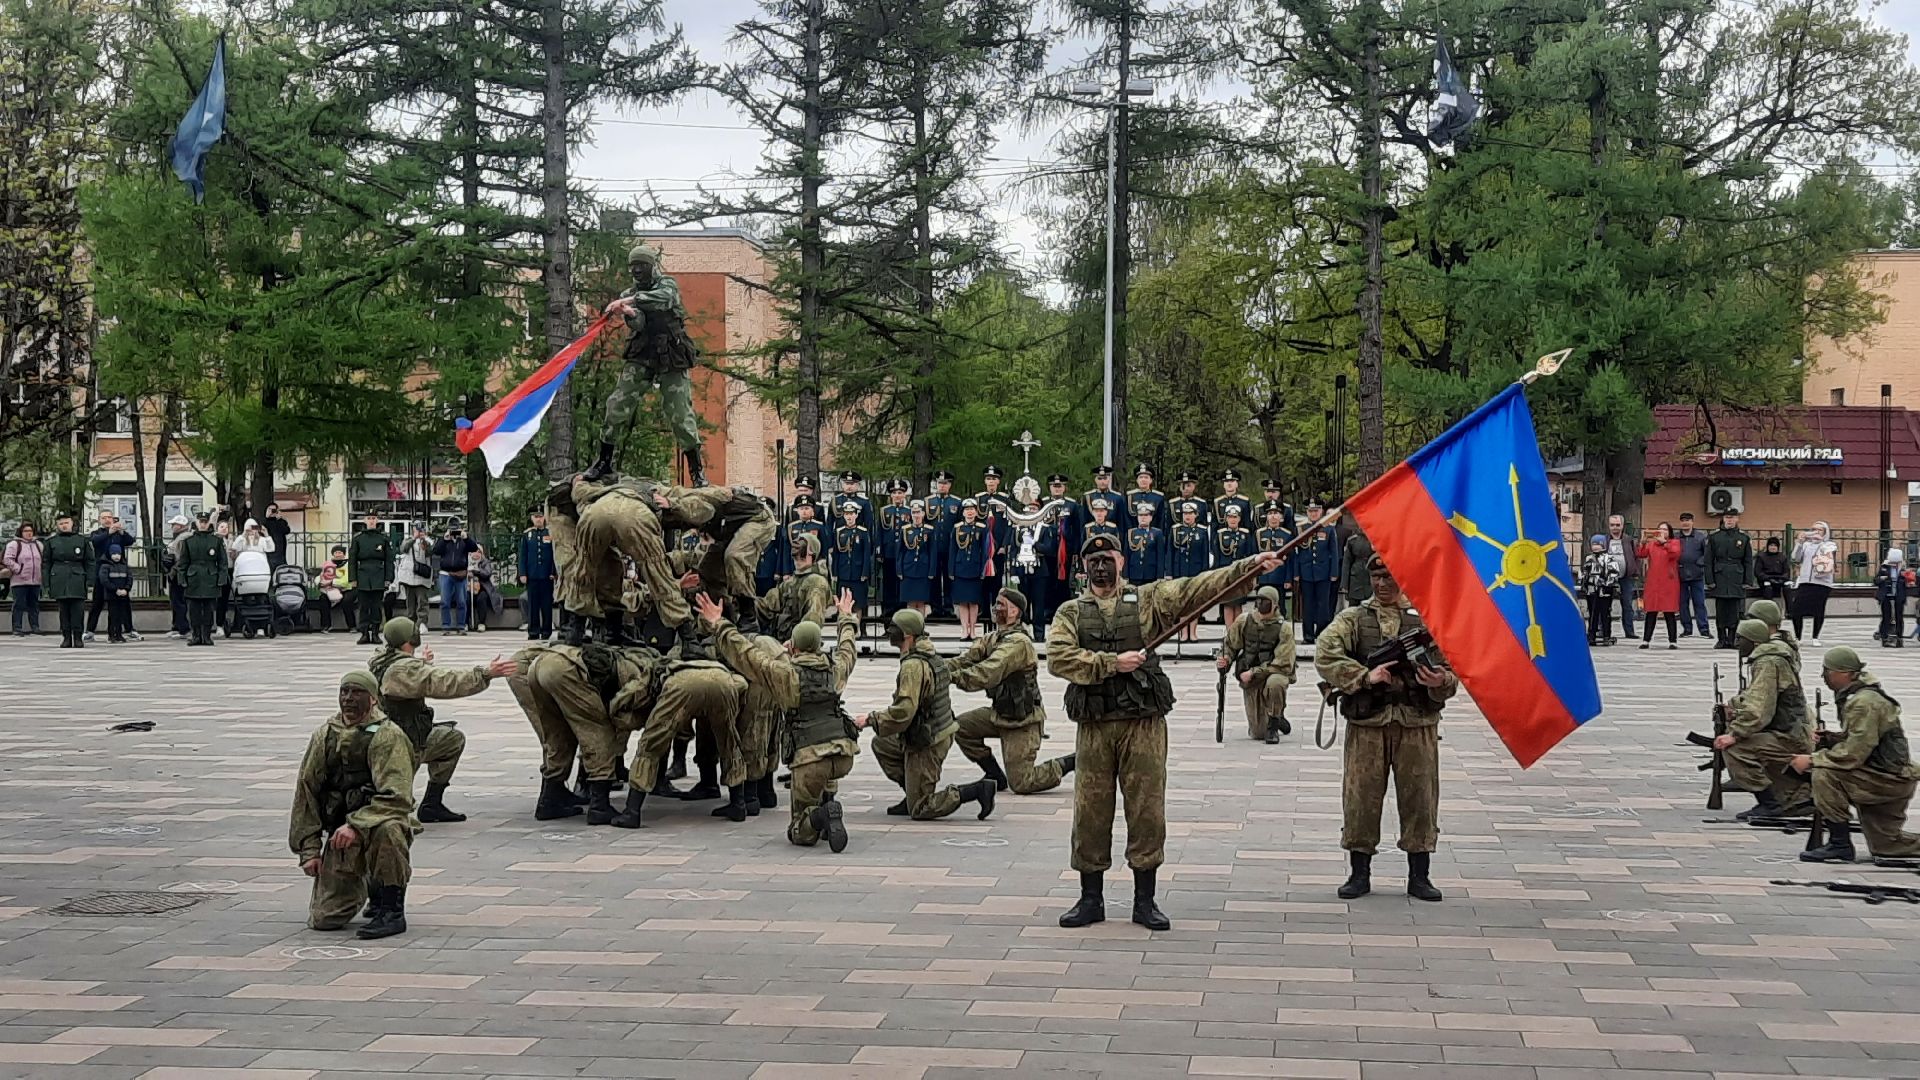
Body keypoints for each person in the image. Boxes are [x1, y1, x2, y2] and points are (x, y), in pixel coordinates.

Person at [1050, 533, 1283, 931]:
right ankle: (1091, 898)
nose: (1101, 566)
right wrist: (1111, 663)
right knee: (1090, 811)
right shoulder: (1071, 612)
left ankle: (1145, 900)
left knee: (1146, 809)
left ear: (1121, 562)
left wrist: (1250, 567)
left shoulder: (1149, 600)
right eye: (1093, 560)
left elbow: (1201, 588)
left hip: (1143, 725)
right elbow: (1058, 657)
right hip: (1095, 726)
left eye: (1107, 558)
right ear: (1083, 567)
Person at [1315, 554, 1458, 902]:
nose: (1381, 584)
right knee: (1361, 798)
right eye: (1376, 578)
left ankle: (1419, 874)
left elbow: (1454, 668)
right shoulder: (1354, 619)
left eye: (1389, 578)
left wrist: (1439, 681)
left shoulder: (1426, 619)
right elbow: (1325, 654)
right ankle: (1359, 871)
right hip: (1369, 724)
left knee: (1420, 799)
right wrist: (1365, 676)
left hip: (1416, 723)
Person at [704, 590, 861, 851]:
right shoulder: (835, 670)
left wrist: (719, 624)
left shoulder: (785, 675)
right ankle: (827, 801)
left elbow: (747, 655)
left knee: (798, 832)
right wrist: (845, 617)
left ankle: (819, 816)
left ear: (793, 646)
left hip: (810, 758)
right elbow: (848, 647)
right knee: (827, 765)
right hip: (843, 755)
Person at [288, 670, 417, 939]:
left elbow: (397, 797)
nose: (348, 698)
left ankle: (391, 909)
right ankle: (366, 883)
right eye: (344, 691)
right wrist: (309, 849)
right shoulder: (325, 734)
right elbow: (306, 793)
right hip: (339, 836)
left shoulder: (387, 735)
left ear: (373, 699)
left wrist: (356, 826)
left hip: (376, 823)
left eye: (357, 692)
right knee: (325, 919)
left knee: (390, 830)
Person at [369, 617, 514, 823]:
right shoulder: (402, 670)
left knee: (451, 740)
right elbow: (445, 682)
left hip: (397, 738)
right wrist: (485, 674)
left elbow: (411, 676)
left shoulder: (383, 660)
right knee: (392, 809)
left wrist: (423, 663)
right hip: (400, 745)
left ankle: (432, 804)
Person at [862, 608, 997, 821]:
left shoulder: (914, 666)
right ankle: (912, 792)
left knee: (921, 809)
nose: (890, 633)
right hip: (935, 729)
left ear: (907, 635)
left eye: (894, 629)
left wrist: (870, 719)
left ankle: (974, 791)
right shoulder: (926, 654)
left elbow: (903, 712)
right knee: (883, 744)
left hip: (929, 740)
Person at [589, 244, 707, 485]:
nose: (637, 271)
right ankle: (604, 461)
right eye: (633, 267)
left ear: (653, 266)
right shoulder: (629, 293)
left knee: (680, 414)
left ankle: (696, 472)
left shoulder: (667, 285)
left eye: (642, 266)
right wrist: (630, 313)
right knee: (617, 404)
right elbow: (639, 323)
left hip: (671, 354)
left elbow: (665, 300)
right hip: (642, 353)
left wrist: (632, 300)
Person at [1797, 646, 1920, 863]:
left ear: (1845, 673)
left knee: (1824, 774)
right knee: (1887, 846)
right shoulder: (1859, 695)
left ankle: (1839, 844)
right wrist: (1833, 738)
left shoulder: (1864, 702)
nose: (1825, 677)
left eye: (1828, 671)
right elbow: (1864, 738)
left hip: (1887, 779)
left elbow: (1854, 754)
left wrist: (1812, 759)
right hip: (1884, 774)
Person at [951, 587, 1075, 794]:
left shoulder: (1018, 643)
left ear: (1014, 611)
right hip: (1001, 713)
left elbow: (988, 672)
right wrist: (936, 668)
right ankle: (995, 776)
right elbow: (966, 659)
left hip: (1023, 721)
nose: (995, 608)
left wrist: (953, 677)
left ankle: (1070, 762)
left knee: (1022, 783)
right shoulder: (993, 638)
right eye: (996, 603)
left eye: (1001, 604)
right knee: (960, 727)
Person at [510, 641, 644, 823]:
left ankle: (550, 798)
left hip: (537, 666)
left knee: (558, 733)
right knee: (598, 730)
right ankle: (599, 805)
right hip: (563, 669)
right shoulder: (641, 670)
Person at [1715, 618, 1813, 821]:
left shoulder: (1768, 662)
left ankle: (1769, 803)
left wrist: (1734, 734)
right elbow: (1757, 698)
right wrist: (1736, 706)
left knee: (1737, 749)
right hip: (1790, 730)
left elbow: (1760, 708)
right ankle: (1796, 796)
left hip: (1789, 735)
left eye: (1741, 639)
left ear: (1755, 642)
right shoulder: (1772, 658)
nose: (1736, 643)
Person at [1220, 585, 1296, 744]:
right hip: (1249, 679)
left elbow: (1282, 663)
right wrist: (1225, 659)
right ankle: (1275, 716)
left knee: (1276, 683)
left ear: (1275, 604)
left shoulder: (1284, 629)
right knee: (1257, 733)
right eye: (1258, 600)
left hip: (1272, 672)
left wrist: (1254, 672)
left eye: (1265, 601)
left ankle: (1274, 723)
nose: (1260, 604)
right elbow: (1231, 644)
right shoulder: (1244, 621)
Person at [758, 532, 834, 640]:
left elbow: (813, 618)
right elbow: (767, 604)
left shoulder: (816, 582)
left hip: (800, 645)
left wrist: (796, 641)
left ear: (812, 554)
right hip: (781, 640)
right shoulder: (790, 582)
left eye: (802, 554)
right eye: (795, 555)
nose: (798, 559)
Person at [1705, 509, 1754, 649]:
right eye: (1727, 517)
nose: (1730, 520)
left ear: (1737, 519)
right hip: (1720, 574)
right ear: (1723, 519)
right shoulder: (1715, 537)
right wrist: (1709, 580)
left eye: (1732, 518)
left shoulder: (1743, 538)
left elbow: (1748, 561)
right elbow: (1708, 560)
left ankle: (1732, 639)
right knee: (1720, 610)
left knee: (1734, 610)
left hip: (1736, 576)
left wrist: (1747, 580)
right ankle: (1721, 638)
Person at [1292, 500, 1340, 643]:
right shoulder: (1301, 528)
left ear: (1321, 512)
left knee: (1323, 605)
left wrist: (1334, 572)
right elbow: (1296, 553)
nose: (1313, 514)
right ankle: (1308, 635)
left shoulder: (1329, 528)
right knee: (1307, 605)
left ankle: (1321, 633)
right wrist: (1296, 572)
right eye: (1310, 511)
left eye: (1316, 511)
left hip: (1323, 572)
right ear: (1307, 512)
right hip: (1306, 572)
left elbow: (1334, 552)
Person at [84, 511, 135, 641]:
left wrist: (122, 531)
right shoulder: (97, 533)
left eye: (109, 517)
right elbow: (95, 542)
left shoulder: (119, 534)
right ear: (99, 520)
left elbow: (130, 541)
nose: (107, 520)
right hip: (102, 571)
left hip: (119, 573)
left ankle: (128, 629)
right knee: (97, 602)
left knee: (123, 603)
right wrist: (109, 533)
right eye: (104, 518)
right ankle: (90, 630)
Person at [1167, 501, 1211, 644]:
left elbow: (1205, 554)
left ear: (1196, 515)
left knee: (1194, 603)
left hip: (1196, 571)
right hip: (1179, 570)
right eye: (1185, 514)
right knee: (1181, 603)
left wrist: (1205, 574)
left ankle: (1193, 632)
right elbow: (1170, 553)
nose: (1187, 516)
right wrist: (1169, 573)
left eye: (1190, 513)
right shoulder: (1175, 530)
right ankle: (1183, 632)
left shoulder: (1202, 531)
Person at [45, 514, 92, 648]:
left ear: (72, 524)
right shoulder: (51, 542)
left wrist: (90, 580)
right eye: (61, 523)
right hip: (59, 576)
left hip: (77, 576)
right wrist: (47, 582)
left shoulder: (82, 541)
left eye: (66, 522)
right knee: (63, 610)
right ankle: (66, 637)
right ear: (57, 526)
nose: (64, 525)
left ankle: (78, 637)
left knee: (78, 609)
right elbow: (46, 563)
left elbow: (89, 561)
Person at [179, 514, 226, 646]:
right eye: (201, 522)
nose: (203, 524)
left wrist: (221, 579)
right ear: (197, 523)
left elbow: (222, 562)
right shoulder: (189, 541)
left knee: (209, 611)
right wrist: (182, 578)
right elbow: (183, 562)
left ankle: (206, 636)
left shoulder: (216, 541)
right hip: (193, 578)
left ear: (209, 523)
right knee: (193, 611)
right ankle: (196, 636)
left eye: (205, 522)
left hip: (210, 578)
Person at [1635, 522, 1682, 649]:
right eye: (1660, 529)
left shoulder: (1674, 543)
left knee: (1669, 611)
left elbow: (1675, 553)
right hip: (1654, 581)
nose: (1662, 531)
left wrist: (1664, 543)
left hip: (1669, 582)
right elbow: (1641, 554)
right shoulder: (1652, 545)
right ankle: (1646, 640)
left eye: (1665, 529)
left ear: (1669, 532)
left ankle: (1673, 641)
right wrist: (1643, 541)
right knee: (1651, 611)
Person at [948, 499, 990, 639]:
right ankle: (964, 629)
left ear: (976, 512)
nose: (970, 512)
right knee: (962, 601)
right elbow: (952, 550)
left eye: (972, 509)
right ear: (963, 512)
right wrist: (951, 570)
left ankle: (973, 630)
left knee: (973, 601)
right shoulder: (957, 528)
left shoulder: (982, 528)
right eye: (967, 510)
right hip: (960, 568)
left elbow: (985, 551)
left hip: (975, 568)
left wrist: (984, 569)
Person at [1790, 521, 1837, 646]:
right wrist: (1799, 543)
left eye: (1819, 530)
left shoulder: (1829, 545)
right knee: (1796, 610)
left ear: (1825, 532)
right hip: (1805, 581)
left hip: (1822, 582)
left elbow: (1828, 558)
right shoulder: (1806, 545)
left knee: (1818, 610)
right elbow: (1795, 557)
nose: (1816, 532)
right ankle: (1798, 637)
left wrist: (1821, 543)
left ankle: (1815, 637)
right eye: (1813, 529)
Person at [350, 513, 393, 645]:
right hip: (362, 574)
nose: (371, 521)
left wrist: (388, 578)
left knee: (376, 606)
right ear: (364, 520)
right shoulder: (358, 539)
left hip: (378, 574)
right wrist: (353, 578)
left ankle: (375, 632)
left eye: (373, 518)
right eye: (369, 519)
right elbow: (352, 559)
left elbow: (389, 560)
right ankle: (364, 633)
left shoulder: (383, 538)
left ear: (377, 520)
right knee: (363, 606)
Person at [431, 523, 479, 636]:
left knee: (462, 601)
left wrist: (466, 538)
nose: (454, 533)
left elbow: (474, 548)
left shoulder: (463, 541)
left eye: (456, 530)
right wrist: (444, 539)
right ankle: (446, 626)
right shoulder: (444, 540)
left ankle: (461, 626)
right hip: (445, 573)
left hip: (460, 574)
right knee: (444, 601)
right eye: (452, 531)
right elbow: (436, 551)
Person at [517, 507, 557, 641]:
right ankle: (533, 631)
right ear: (532, 518)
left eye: (540, 516)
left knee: (546, 604)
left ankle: (546, 631)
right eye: (536, 517)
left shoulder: (550, 533)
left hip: (546, 575)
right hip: (532, 575)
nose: (538, 519)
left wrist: (553, 572)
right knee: (533, 605)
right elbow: (523, 556)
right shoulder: (528, 535)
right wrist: (522, 573)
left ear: (544, 518)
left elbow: (554, 555)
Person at [925, 470, 961, 619]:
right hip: (933, 546)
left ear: (950, 485)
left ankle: (948, 607)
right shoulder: (928, 502)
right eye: (940, 483)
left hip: (949, 546)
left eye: (945, 483)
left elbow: (959, 525)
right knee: (933, 577)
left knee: (949, 577)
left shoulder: (956, 502)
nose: (942, 486)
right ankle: (935, 607)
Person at [877, 480, 912, 617]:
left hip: (904, 553)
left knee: (902, 585)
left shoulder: (909, 511)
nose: (897, 495)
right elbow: (879, 532)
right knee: (888, 585)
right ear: (890, 495)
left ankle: (901, 613)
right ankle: (887, 613)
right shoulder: (884, 511)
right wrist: (879, 550)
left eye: (900, 493)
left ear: (904, 495)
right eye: (894, 493)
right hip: (889, 553)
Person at [1213, 505, 1253, 627]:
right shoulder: (1220, 535)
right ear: (1226, 519)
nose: (1233, 520)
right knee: (1228, 603)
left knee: (1238, 604)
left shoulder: (1245, 534)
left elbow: (1250, 554)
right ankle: (1229, 631)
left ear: (1239, 519)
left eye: (1235, 517)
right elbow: (1217, 556)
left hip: (1240, 573)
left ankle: (1238, 631)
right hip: (1226, 573)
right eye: (1230, 517)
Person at [831, 500, 872, 616]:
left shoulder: (863, 532)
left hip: (858, 574)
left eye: (851, 514)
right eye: (847, 514)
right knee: (843, 603)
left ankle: (857, 631)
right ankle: (844, 629)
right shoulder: (839, 532)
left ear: (856, 515)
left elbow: (866, 554)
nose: (849, 517)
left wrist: (865, 572)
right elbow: (836, 554)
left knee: (858, 604)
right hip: (843, 572)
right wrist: (835, 572)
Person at [1578, 534, 1620, 646]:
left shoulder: (1609, 558)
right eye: (1594, 544)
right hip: (1591, 590)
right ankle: (1591, 633)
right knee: (1592, 612)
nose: (1596, 546)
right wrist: (1583, 583)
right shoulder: (1589, 558)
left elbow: (1614, 573)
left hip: (1605, 590)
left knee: (1605, 612)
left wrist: (1608, 583)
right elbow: (1584, 572)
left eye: (1598, 544)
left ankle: (1606, 634)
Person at [1674, 513, 1711, 638]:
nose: (1685, 523)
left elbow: (1707, 554)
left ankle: (1704, 629)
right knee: (1682, 603)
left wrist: (1699, 564)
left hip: (1697, 575)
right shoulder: (1676, 537)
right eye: (1683, 520)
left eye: (1688, 520)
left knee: (1699, 602)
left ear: (1692, 522)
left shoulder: (1700, 537)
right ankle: (1687, 628)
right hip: (1680, 574)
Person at [1605, 514, 1642, 640]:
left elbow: (1636, 556)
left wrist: (1635, 571)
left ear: (1622, 526)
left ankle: (1629, 631)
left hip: (1626, 576)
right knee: (1605, 604)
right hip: (1608, 577)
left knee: (1627, 604)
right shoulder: (1605, 540)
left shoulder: (1628, 540)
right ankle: (1604, 631)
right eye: (1612, 525)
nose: (1615, 528)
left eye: (1617, 525)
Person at [897, 501, 937, 616]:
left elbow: (932, 552)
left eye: (918, 512)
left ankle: (920, 627)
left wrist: (931, 570)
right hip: (908, 569)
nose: (916, 515)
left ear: (923, 513)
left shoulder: (929, 530)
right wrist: (899, 569)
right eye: (914, 512)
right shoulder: (905, 530)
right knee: (910, 602)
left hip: (923, 569)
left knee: (921, 602)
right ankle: (911, 628)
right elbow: (900, 552)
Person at [4, 522, 43, 637]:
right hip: (19, 581)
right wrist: (18, 569)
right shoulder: (14, 544)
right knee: (19, 605)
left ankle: (35, 627)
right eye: (26, 531)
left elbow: (42, 559)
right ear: (21, 532)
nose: (29, 533)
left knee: (34, 605)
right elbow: (7, 559)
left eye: (30, 531)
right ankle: (17, 628)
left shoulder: (38, 544)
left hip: (35, 580)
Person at [1255, 504, 1293, 617]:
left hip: (1279, 577)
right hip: (1263, 576)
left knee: (1279, 607)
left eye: (1276, 513)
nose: (1273, 516)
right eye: (1270, 514)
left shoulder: (1287, 534)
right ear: (1266, 517)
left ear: (1281, 517)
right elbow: (1253, 556)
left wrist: (1288, 579)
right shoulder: (1259, 533)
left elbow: (1290, 559)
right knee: (1261, 607)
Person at [395, 524, 435, 627]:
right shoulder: (408, 539)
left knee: (422, 600)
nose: (418, 531)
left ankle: (422, 622)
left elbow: (431, 552)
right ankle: (411, 622)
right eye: (416, 529)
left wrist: (424, 541)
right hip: (408, 575)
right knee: (410, 601)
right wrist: (414, 538)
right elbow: (403, 549)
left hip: (422, 576)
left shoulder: (428, 540)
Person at [161, 515, 191, 638]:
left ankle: (183, 629)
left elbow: (181, 558)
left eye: (174, 524)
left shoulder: (183, 538)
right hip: (175, 572)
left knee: (179, 601)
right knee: (175, 600)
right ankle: (177, 626)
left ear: (181, 526)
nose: (172, 526)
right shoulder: (178, 538)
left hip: (178, 573)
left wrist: (173, 570)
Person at [1125, 503, 1168, 587]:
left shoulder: (1157, 533)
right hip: (1134, 573)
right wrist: (1125, 575)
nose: (1143, 517)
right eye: (1140, 515)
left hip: (1151, 574)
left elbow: (1160, 556)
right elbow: (1126, 556)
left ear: (1151, 517)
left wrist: (1160, 576)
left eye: (1146, 515)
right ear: (1137, 517)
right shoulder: (1131, 533)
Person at [1874, 548, 1908, 648]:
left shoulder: (1903, 569)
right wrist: (1882, 578)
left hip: (1898, 596)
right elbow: (1876, 580)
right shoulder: (1884, 567)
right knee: (1886, 617)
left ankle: (1899, 637)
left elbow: (1907, 583)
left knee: (1899, 617)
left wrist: (1906, 578)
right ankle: (1885, 637)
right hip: (1886, 596)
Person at [101, 545, 135, 643]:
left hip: (123, 595)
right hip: (112, 595)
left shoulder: (124, 566)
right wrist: (115, 589)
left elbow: (129, 578)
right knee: (113, 615)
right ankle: (112, 634)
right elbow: (104, 580)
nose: (116, 556)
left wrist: (126, 589)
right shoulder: (106, 566)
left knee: (121, 615)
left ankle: (119, 634)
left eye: (118, 554)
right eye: (114, 554)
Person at [1339, 525, 1374, 609]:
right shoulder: (1352, 540)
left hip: (1371, 575)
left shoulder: (1376, 539)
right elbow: (1346, 563)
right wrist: (1344, 584)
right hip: (1355, 578)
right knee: (1354, 608)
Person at [1127, 464, 1169, 534]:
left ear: (1151, 480)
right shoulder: (1129, 496)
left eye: (1146, 477)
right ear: (1137, 480)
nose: (1143, 480)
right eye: (1141, 477)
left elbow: (1161, 520)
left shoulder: (1158, 497)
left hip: (1153, 536)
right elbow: (1127, 519)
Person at [468, 544, 501, 632]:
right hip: (469, 588)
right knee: (465, 598)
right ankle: (466, 623)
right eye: (474, 551)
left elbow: (487, 573)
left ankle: (481, 623)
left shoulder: (485, 562)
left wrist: (477, 570)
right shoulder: (466, 561)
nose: (476, 554)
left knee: (482, 598)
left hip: (483, 588)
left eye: (479, 552)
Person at [1213, 470, 1253, 539]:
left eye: (1232, 481)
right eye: (1226, 481)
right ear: (1223, 485)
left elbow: (1248, 525)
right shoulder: (1217, 502)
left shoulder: (1244, 502)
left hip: (1241, 539)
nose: (1229, 484)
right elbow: (1214, 526)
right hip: (1222, 540)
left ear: (1237, 484)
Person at [1755, 536, 1790, 600]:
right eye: (1771, 545)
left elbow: (1786, 572)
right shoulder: (1761, 557)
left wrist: (1781, 579)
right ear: (1768, 546)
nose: (1773, 547)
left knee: (1788, 589)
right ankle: (1769, 608)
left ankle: (1789, 609)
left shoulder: (1782, 557)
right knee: (1768, 589)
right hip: (1766, 580)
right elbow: (1758, 572)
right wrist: (1768, 579)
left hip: (1780, 580)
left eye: (1775, 546)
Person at [262, 503, 293, 569]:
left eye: (274, 510)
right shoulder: (264, 522)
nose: (272, 511)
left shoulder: (280, 521)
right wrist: (267, 516)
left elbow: (287, 530)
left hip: (280, 552)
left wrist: (280, 518)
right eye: (270, 509)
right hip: (269, 551)